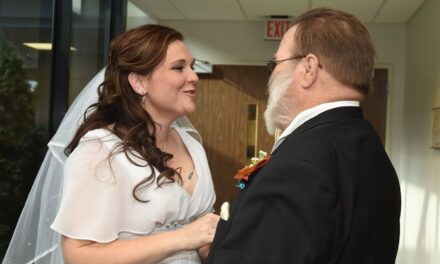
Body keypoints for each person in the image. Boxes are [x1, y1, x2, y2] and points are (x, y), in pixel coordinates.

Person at [3, 24, 219, 264]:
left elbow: (200, 236)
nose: (194, 77)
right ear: (139, 82)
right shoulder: (100, 152)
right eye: (179, 68)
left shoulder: (193, 146)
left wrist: (208, 244)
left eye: (192, 66)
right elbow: (79, 255)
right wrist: (183, 238)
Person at [207, 7, 401, 264]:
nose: (271, 75)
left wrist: (220, 247)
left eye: (275, 64)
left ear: (309, 69)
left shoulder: (298, 166)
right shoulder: (373, 150)